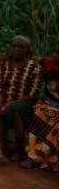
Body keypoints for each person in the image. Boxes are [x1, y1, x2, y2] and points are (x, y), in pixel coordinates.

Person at [0, 36, 42, 166]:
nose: (16, 49)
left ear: (27, 50)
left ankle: (20, 152)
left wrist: (10, 104)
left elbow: (33, 93)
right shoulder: (3, 63)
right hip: (3, 103)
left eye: (20, 47)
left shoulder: (34, 66)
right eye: (14, 46)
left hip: (23, 105)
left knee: (16, 109)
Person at [22, 42, 59, 171]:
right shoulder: (47, 63)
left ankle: (53, 160)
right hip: (47, 103)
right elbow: (31, 59)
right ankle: (33, 157)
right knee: (39, 113)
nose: (56, 55)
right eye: (56, 52)